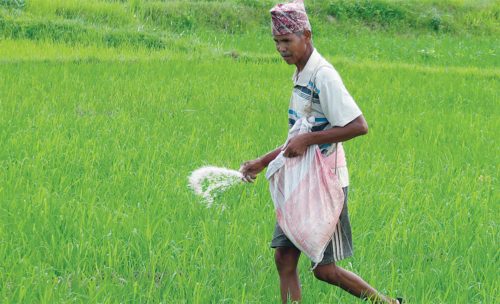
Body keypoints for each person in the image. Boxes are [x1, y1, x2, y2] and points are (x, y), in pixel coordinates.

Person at [239, 1, 404, 303]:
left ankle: (388, 303)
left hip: (325, 182)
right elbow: (300, 135)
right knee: (284, 260)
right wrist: (263, 161)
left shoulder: (323, 75)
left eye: (287, 41)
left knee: (324, 270)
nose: (281, 49)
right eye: (276, 42)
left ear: (307, 35)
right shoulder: (301, 73)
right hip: (301, 179)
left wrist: (309, 142)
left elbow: (358, 126)